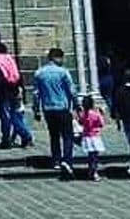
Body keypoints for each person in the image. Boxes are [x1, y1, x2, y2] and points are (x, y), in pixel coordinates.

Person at [32, 47, 79, 177]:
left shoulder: (39, 73)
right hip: (62, 108)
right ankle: (67, 160)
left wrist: (36, 110)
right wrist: (77, 105)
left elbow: (36, 94)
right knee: (67, 136)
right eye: (61, 58)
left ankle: (56, 160)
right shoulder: (63, 72)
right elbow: (72, 90)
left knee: (54, 136)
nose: (63, 60)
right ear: (56, 58)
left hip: (48, 109)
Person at [0, 43, 32, 150]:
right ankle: (26, 135)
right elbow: (17, 75)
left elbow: (1, 75)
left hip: (4, 91)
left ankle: (6, 140)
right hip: (14, 90)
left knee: (5, 117)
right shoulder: (10, 60)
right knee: (15, 116)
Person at [78, 94, 106, 181]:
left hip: (87, 137)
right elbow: (101, 124)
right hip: (95, 137)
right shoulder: (95, 114)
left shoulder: (84, 114)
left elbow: (80, 122)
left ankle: (91, 170)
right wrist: (102, 113)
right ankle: (94, 172)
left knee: (90, 156)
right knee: (95, 157)